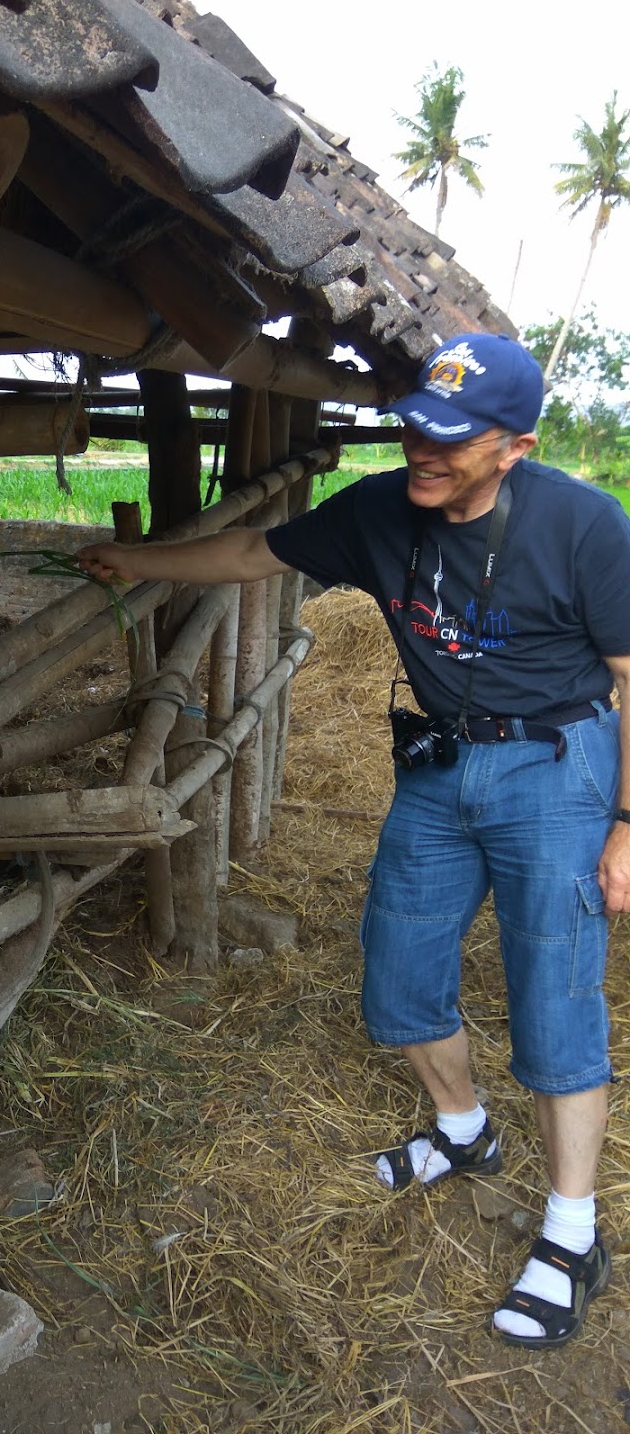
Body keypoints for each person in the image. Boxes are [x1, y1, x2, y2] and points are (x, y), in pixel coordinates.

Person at [77, 333, 630, 1349]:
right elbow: (254, 554)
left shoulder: (587, 526)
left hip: (557, 762)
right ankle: (463, 1133)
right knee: (398, 968)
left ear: (516, 445)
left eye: (453, 440)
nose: (424, 449)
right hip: (438, 761)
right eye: (418, 426)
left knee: (553, 991)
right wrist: (140, 560)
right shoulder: (380, 510)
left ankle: (571, 1232)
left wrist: (629, 826)